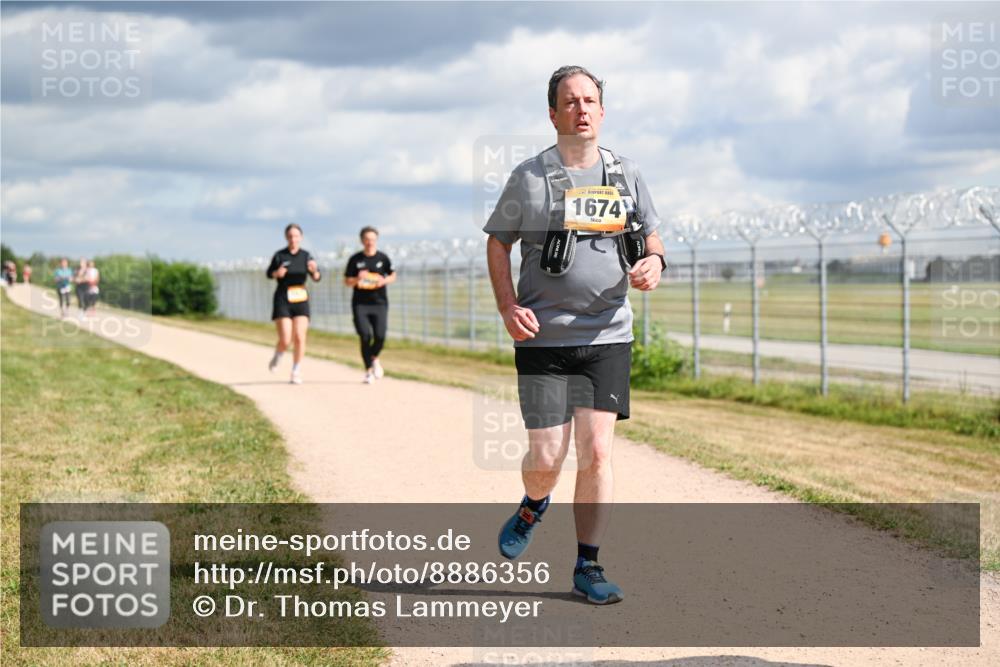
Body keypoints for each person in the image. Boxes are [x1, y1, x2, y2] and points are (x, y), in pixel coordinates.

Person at [483, 66, 666, 605]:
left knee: (597, 454)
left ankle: (588, 565)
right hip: (543, 338)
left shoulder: (625, 175)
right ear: (553, 113)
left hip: (608, 335)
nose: (581, 109)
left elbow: (652, 238)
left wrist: (655, 262)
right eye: (570, 101)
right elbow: (498, 245)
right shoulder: (529, 177)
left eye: (590, 100)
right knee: (546, 459)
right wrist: (507, 306)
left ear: (602, 112)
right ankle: (533, 504)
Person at [266, 223, 321, 385]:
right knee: (285, 338)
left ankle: (296, 370)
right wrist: (277, 273)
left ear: (301, 238)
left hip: (300, 298)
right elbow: (269, 273)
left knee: (299, 336)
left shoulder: (306, 256)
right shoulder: (280, 256)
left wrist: (314, 271)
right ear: (286, 238)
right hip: (283, 298)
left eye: (296, 236)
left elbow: (317, 277)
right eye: (290, 236)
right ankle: (278, 354)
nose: (293, 239)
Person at [343, 226, 395, 384]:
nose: (369, 242)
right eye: (367, 239)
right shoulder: (355, 260)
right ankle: (368, 371)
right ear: (362, 241)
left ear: (376, 240)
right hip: (361, 304)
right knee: (365, 336)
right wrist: (358, 279)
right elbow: (347, 281)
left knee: (380, 336)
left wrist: (383, 280)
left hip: (379, 303)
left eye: (372, 239)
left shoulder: (382, 258)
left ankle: (374, 358)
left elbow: (393, 274)